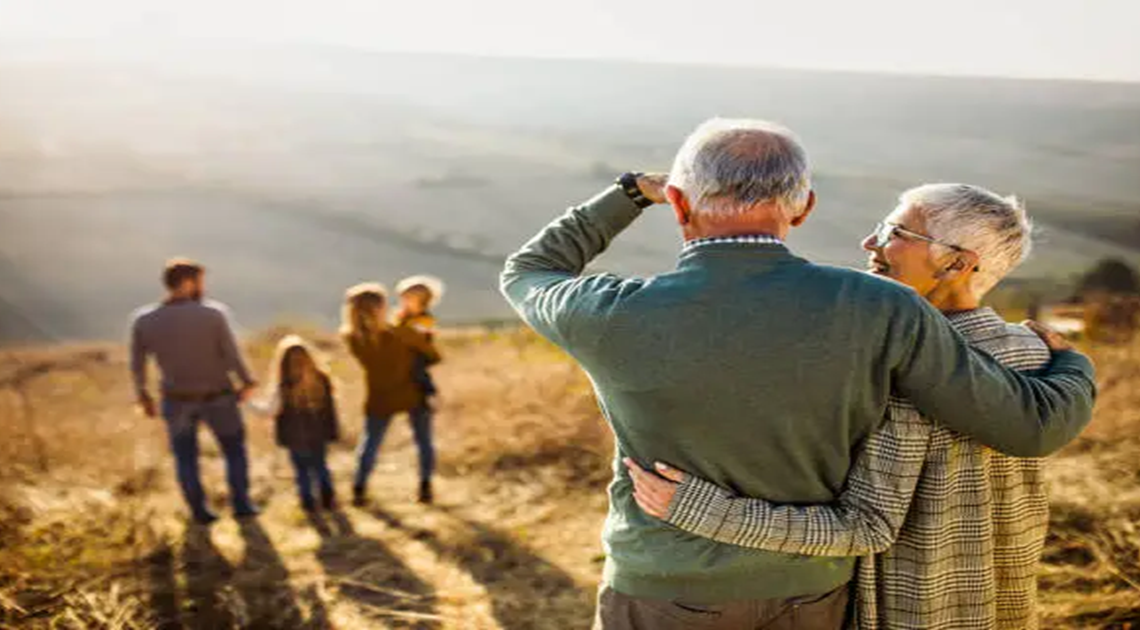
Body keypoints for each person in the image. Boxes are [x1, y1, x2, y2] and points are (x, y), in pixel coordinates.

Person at [499, 118, 1097, 630]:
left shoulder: (610, 312)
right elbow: (1028, 427)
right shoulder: (881, 307)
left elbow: (529, 271)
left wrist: (630, 194)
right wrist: (1070, 362)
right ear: (803, 208)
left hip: (665, 591)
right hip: (815, 592)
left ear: (678, 204)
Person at [626, 183, 1070, 629]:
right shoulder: (1035, 351)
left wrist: (703, 510)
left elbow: (866, 526)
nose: (870, 242)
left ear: (956, 262)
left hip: (910, 615)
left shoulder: (897, 372)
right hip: (1005, 608)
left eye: (896, 231)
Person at [130, 258, 258, 525]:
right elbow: (232, 355)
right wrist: (247, 382)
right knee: (234, 450)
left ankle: (199, 512)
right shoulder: (213, 314)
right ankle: (242, 505)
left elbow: (137, 364)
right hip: (218, 396)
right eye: (200, 281)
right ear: (189, 282)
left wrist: (143, 395)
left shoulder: (144, 320)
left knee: (185, 457)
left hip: (175, 400)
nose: (204, 287)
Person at [341, 283, 442, 506]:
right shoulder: (403, 333)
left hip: (379, 395)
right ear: (380, 308)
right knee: (424, 442)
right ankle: (425, 487)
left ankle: (359, 488)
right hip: (412, 392)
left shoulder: (352, 338)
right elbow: (434, 356)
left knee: (369, 444)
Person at [259, 335, 340, 513]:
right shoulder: (322, 380)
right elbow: (331, 411)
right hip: (319, 434)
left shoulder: (284, 385)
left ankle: (308, 503)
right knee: (321, 466)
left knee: (302, 471)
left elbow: (270, 410)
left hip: (294, 437)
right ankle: (328, 499)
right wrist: (332, 432)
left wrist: (247, 403)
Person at [394, 275, 445, 408]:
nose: (404, 302)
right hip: (403, 353)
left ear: (422, 301)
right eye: (403, 299)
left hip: (419, 354)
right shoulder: (402, 317)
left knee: (418, 371)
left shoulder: (426, 318)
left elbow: (419, 333)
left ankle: (431, 393)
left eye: (408, 299)